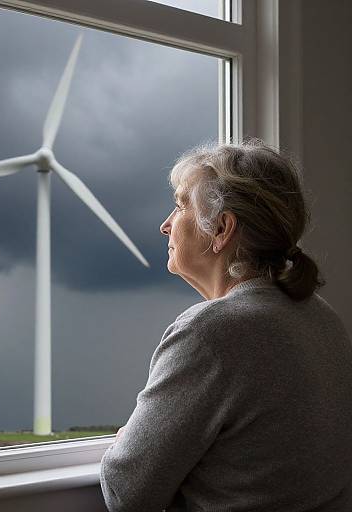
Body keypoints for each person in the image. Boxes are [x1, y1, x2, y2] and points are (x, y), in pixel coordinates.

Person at [99, 140, 352, 512]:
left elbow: (125, 495)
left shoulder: (211, 333)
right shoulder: (321, 316)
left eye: (181, 204)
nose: (165, 225)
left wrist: (126, 442)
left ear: (221, 228)